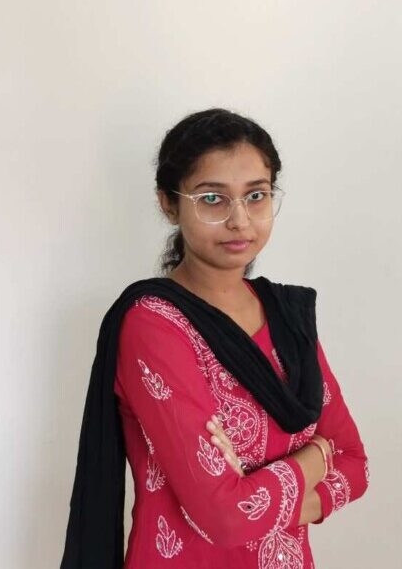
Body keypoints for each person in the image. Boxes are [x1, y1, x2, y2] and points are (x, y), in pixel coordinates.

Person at [60, 108, 369, 569]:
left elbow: (355, 464)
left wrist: (256, 490)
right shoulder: (155, 324)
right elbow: (224, 518)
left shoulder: (288, 318)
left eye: (256, 196)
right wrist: (313, 456)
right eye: (212, 199)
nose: (240, 221)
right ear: (169, 203)